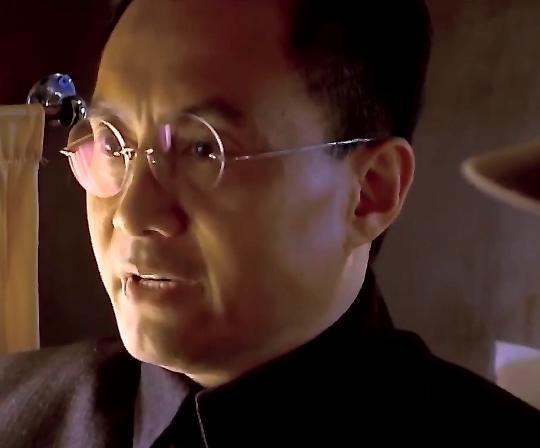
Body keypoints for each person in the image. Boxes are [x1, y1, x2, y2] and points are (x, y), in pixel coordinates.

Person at [1, 0, 539, 446]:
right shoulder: (15, 411)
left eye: (202, 150)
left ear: (370, 193)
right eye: (112, 143)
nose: (133, 214)